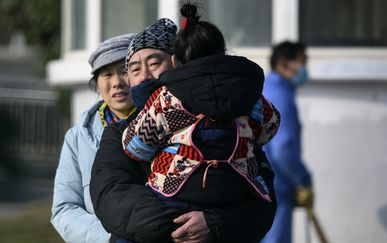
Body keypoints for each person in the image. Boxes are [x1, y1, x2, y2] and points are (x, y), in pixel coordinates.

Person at [91, 11, 277, 243]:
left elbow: (263, 204)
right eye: (135, 69)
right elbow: (111, 197)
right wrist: (188, 227)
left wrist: (213, 224)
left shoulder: (168, 104)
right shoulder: (116, 133)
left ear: (177, 64)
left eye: (155, 63)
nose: (145, 76)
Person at [51, 33, 136, 243]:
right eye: (107, 74)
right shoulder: (77, 138)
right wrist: (110, 239)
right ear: (96, 83)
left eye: (124, 71)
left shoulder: (163, 123)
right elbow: (64, 208)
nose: (116, 82)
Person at [261, 41, 314, 243]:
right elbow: (284, 148)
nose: (305, 70)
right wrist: (303, 179)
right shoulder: (281, 95)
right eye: (302, 63)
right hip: (276, 186)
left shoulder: (266, 88)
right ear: (283, 64)